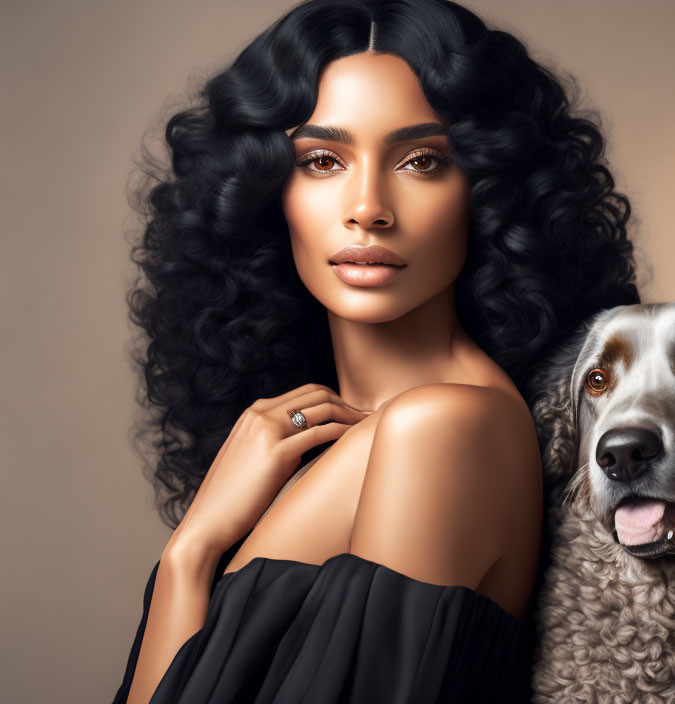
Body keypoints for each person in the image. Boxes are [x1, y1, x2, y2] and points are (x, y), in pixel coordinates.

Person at [112, 0, 639, 701]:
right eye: (323, 160)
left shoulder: (447, 431)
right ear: (270, 192)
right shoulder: (335, 440)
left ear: (487, 191)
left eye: (422, 160)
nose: (368, 206)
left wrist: (194, 554)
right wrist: (190, 553)